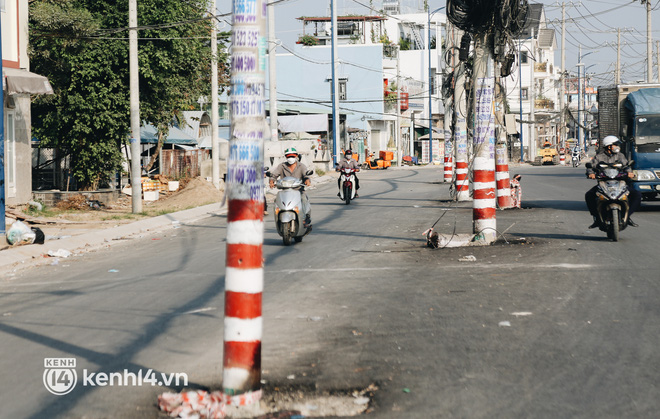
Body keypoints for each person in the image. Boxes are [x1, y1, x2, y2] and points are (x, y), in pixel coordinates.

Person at [585, 135, 641, 228]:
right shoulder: (599, 157)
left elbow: (627, 166)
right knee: (589, 195)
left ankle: (627, 216)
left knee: (637, 195)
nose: (617, 147)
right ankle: (597, 218)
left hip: (620, 183)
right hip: (604, 183)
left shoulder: (620, 156)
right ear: (609, 146)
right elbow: (591, 166)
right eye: (615, 145)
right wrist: (590, 173)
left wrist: (629, 173)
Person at [269, 147, 312, 224]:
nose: (290, 158)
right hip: (285, 191)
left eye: (292, 156)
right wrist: (272, 181)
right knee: (277, 201)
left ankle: (306, 217)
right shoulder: (282, 166)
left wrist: (307, 180)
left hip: (298, 190)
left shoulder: (301, 166)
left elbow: (306, 175)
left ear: (296, 156)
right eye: (288, 156)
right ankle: (278, 218)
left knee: (304, 199)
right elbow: (274, 175)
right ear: (286, 157)